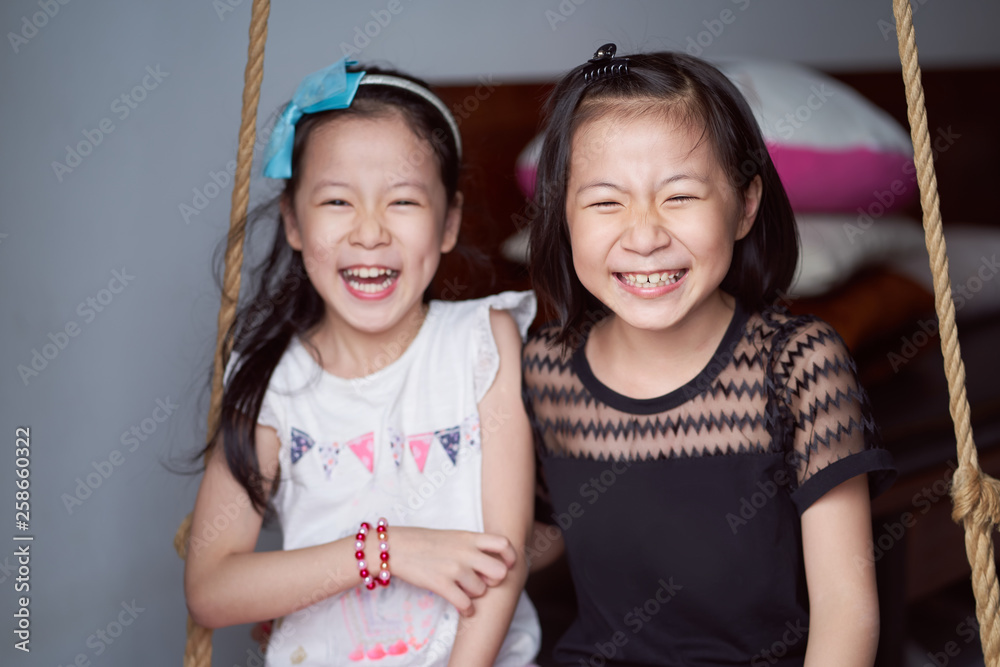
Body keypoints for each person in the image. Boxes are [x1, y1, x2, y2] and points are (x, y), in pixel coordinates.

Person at [522, 45, 896, 666]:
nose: (644, 235)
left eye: (681, 197)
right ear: (563, 217)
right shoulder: (545, 367)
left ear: (745, 206)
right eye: (605, 202)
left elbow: (846, 614)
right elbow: (551, 532)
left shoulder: (797, 365)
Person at [184, 57, 540, 667]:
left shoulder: (483, 344)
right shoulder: (272, 385)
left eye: (402, 201)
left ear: (448, 222)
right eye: (337, 202)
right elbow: (211, 592)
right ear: (294, 222)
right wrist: (385, 550)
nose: (370, 232)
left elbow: (503, 555)